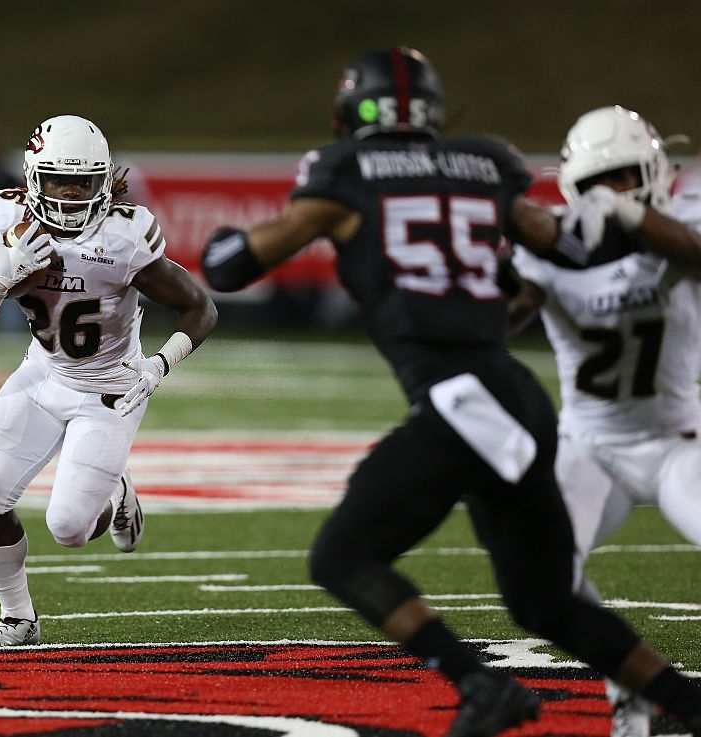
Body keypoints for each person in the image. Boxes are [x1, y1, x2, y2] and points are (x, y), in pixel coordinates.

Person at [200, 48, 701, 737]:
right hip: (519, 401)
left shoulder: (344, 177)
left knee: (341, 556)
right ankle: (689, 702)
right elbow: (570, 246)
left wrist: (228, 239)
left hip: (462, 402)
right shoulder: (483, 166)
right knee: (546, 602)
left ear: (348, 114)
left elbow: (230, 266)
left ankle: (476, 681)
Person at [0, 114, 217, 647]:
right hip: (43, 373)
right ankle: (18, 619)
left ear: (104, 183)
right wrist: (0, 278)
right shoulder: (8, 222)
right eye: (58, 180)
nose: (72, 193)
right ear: (34, 177)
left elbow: (200, 308)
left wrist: (160, 364)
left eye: (85, 181)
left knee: (70, 529)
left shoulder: (122, 236)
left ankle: (115, 492)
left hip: (110, 388)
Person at [508, 105, 701, 737]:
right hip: (590, 444)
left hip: (678, 439)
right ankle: (629, 680)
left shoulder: (682, 222)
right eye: (598, 182)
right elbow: (510, 314)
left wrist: (632, 217)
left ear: (649, 172)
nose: (609, 191)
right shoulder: (554, 242)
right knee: (542, 575)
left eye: (621, 177)